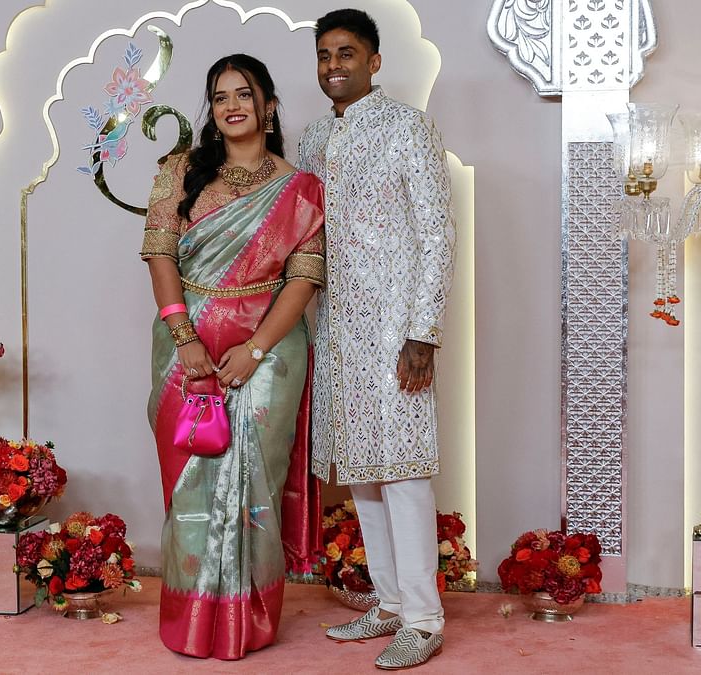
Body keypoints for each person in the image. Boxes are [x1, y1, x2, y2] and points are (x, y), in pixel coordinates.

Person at [141, 53, 325, 660]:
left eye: (245, 94)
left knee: (256, 489)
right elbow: (160, 256)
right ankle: (192, 616)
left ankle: (249, 618)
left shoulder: (300, 188)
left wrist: (255, 348)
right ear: (212, 111)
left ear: (269, 105)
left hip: (269, 352)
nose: (232, 105)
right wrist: (183, 336)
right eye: (220, 97)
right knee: (190, 484)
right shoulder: (179, 171)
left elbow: (303, 280)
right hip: (184, 348)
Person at [298, 9, 456, 670]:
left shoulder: (406, 127)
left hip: (394, 330)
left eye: (348, 53)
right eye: (325, 54)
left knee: (404, 470)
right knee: (362, 471)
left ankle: (423, 617)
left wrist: (423, 332)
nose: (335, 66)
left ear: (374, 61)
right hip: (335, 330)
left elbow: (437, 231)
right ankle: (389, 601)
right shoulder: (312, 138)